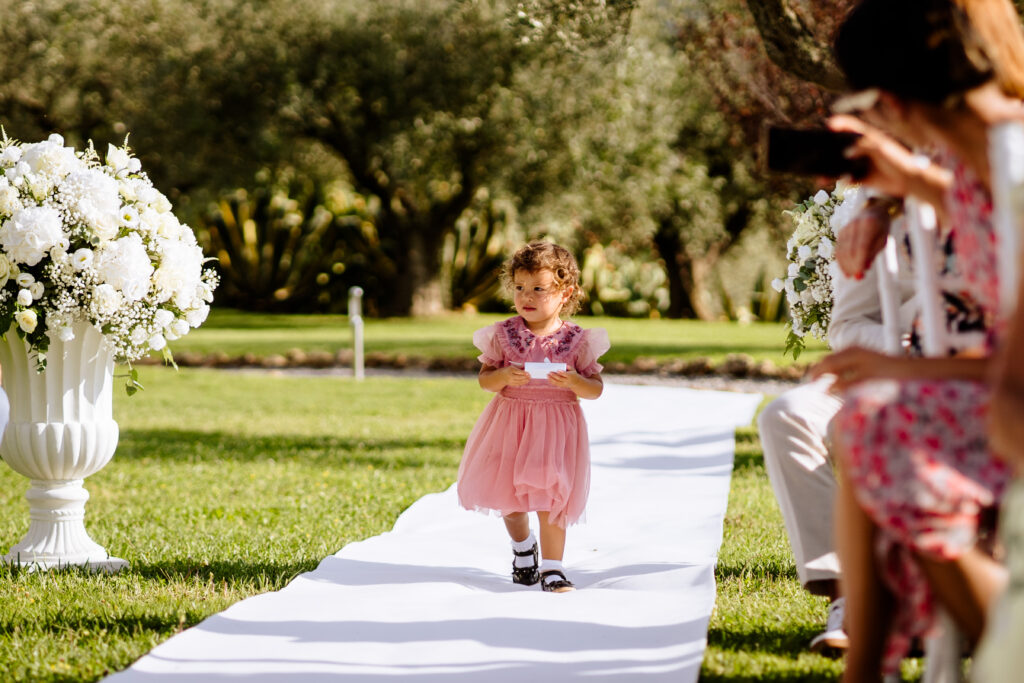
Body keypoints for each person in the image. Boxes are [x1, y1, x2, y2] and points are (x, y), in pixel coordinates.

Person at [812, 0, 1023, 678]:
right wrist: (894, 187)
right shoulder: (984, 158)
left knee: (878, 418)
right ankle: (868, 661)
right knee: (871, 417)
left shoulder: (1013, 166)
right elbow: (970, 192)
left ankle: (1001, 642)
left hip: (1013, 408)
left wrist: (896, 369)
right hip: (1003, 393)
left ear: (895, 99)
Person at [758, 191, 917, 653]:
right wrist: (905, 349)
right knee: (786, 415)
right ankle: (849, 593)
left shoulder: (1003, 191)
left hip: (977, 376)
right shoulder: (865, 210)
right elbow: (848, 324)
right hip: (888, 366)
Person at [457, 241, 608, 593]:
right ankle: (524, 548)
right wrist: (504, 377)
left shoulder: (576, 340)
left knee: (552, 495)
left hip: (555, 429)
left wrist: (575, 381)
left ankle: (553, 569)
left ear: (564, 292)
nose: (527, 296)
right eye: (520, 288)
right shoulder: (504, 335)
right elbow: (485, 380)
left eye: (538, 289)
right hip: (511, 423)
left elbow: (595, 389)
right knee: (509, 496)